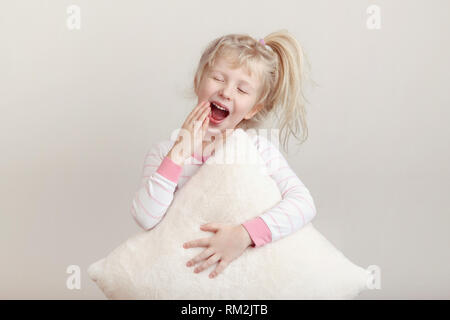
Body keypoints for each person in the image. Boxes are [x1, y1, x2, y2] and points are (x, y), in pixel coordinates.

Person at [131, 30, 317, 279]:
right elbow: (145, 217)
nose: (226, 92)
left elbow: (303, 204)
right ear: (199, 81)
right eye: (218, 78)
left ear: (254, 108)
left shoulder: (259, 151)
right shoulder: (164, 153)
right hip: (182, 275)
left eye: (242, 90)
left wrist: (244, 235)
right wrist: (179, 153)